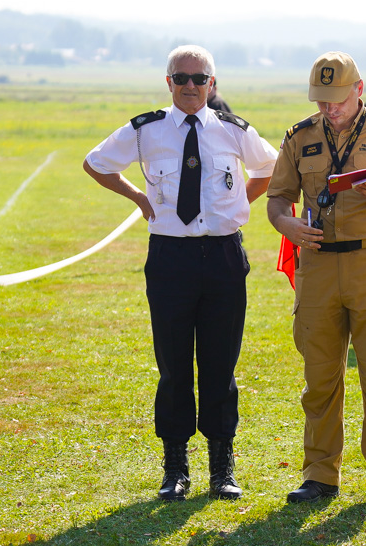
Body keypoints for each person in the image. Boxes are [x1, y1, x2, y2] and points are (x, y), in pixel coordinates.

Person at [83, 45, 277, 502]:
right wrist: (138, 198)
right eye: (182, 77)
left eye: (200, 78)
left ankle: (221, 467)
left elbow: (271, 166)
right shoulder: (146, 130)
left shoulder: (233, 130)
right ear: (168, 83)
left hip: (224, 257)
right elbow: (96, 163)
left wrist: (237, 204)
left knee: (220, 363)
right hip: (170, 258)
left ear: (212, 83)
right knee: (172, 366)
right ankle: (175, 467)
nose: (191, 85)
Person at [267, 51, 366, 508]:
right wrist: (287, 225)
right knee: (320, 377)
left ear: (358, 90)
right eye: (322, 101)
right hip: (317, 266)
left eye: (337, 100)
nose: (329, 110)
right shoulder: (299, 136)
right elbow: (278, 199)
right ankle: (319, 474)